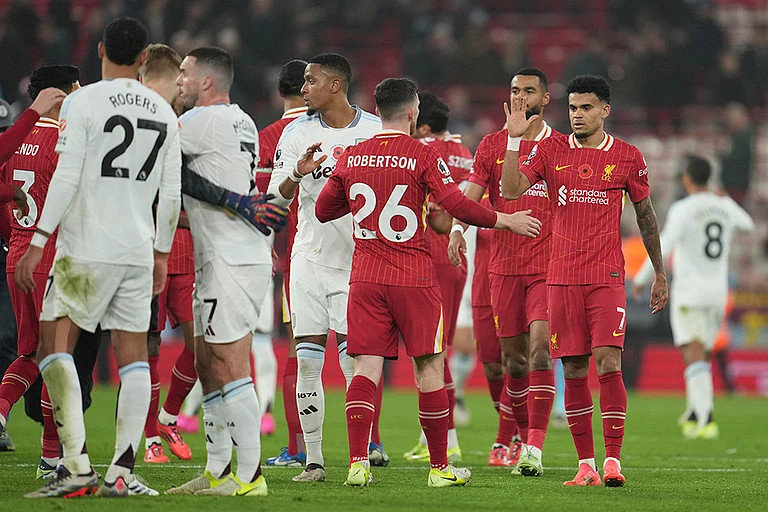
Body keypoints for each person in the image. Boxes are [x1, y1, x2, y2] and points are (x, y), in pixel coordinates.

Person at [314, 77, 542, 487]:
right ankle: (439, 468)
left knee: (365, 368)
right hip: (413, 277)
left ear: (377, 110)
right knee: (430, 368)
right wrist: (505, 219)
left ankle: (357, 464)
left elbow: (324, 210)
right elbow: (456, 205)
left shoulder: (352, 154)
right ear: (412, 112)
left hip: (366, 278)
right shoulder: (422, 153)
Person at [17, 18, 182, 498]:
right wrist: (161, 255)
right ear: (145, 56)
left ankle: (75, 467)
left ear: (101, 49)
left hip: (85, 248)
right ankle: (122, 472)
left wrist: (38, 239)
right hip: (137, 250)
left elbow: (67, 175)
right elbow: (171, 195)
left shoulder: (82, 101)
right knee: (133, 358)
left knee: (53, 348)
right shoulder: (163, 111)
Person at [501, 74, 667, 487]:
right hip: (561, 278)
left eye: (586, 107)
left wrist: (659, 271)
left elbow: (646, 216)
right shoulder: (550, 150)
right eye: (573, 107)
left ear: (605, 110)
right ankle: (586, 465)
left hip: (606, 277)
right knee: (574, 368)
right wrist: (514, 141)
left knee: (609, 362)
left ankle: (613, 461)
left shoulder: (627, 156)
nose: (577, 115)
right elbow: (510, 190)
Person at [166, 46, 286, 497]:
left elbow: (165, 167)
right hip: (225, 252)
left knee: (230, 364)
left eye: (184, 72)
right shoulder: (241, 120)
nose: (178, 80)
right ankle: (217, 469)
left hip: (230, 258)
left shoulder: (198, 121)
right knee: (206, 362)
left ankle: (250, 477)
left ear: (206, 81)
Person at [267, 53, 382, 483]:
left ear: (335, 85)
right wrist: (297, 174)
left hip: (358, 264)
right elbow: (275, 199)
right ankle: (313, 460)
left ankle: (359, 458)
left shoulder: (374, 132)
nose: (303, 89)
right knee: (308, 362)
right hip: (309, 261)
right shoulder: (296, 132)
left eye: (311, 81)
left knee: (355, 365)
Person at [449, 68, 560, 473]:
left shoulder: (561, 147)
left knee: (540, 350)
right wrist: (457, 229)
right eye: (515, 90)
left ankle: (533, 447)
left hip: (548, 267)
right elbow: (470, 197)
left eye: (529, 91)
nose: (520, 97)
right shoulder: (491, 145)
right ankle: (519, 436)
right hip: (504, 268)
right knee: (511, 362)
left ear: (545, 98)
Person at [633, 156, 754, 440]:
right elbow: (748, 224)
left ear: (687, 178)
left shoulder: (684, 208)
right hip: (718, 293)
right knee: (704, 353)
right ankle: (693, 410)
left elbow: (665, 242)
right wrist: (726, 200)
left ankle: (705, 415)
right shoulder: (723, 205)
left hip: (690, 291)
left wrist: (641, 277)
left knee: (692, 351)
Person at [136, 43, 196, 465]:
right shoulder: (145, 128)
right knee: (147, 345)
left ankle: (168, 417)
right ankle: (149, 438)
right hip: (148, 252)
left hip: (185, 255)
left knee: (200, 344)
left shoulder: (190, 128)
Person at [403, 92, 472, 462]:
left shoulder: (425, 151)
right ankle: (432, 436)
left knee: (434, 352)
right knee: (437, 350)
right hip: (458, 257)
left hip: (432, 254)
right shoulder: (463, 152)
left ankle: (449, 441)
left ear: (425, 127)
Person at [252, 59, 309, 456]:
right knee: (358, 354)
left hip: (292, 256)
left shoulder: (267, 138)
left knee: (298, 350)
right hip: (349, 252)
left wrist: (264, 243)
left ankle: (296, 448)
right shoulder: (339, 131)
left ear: (279, 93)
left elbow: (261, 203)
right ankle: (369, 444)